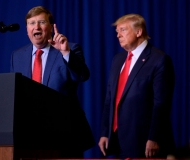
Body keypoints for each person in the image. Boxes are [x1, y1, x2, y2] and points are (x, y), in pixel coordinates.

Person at [10, 6, 95, 158]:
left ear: (50, 27)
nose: (36, 27)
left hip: (64, 133)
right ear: (27, 29)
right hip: (30, 134)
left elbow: (82, 76)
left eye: (41, 22)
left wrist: (65, 52)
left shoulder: (69, 48)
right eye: (31, 23)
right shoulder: (17, 56)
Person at [98, 14, 175, 158]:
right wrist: (105, 132)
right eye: (117, 32)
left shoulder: (159, 60)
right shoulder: (118, 59)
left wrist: (154, 137)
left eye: (122, 30)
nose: (118, 35)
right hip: (118, 140)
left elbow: (161, 104)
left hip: (144, 141)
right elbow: (111, 99)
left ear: (138, 32)